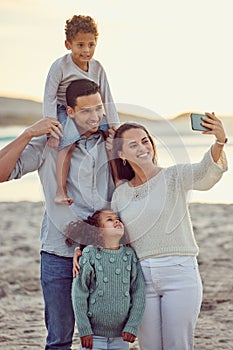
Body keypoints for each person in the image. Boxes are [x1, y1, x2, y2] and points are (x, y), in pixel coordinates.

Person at [0, 79, 116, 350]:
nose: (95, 117)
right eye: (86, 111)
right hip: (58, 254)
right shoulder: (48, 143)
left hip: (104, 254)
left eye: (98, 109)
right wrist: (29, 133)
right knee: (59, 338)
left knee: (105, 340)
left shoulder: (112, 140)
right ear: (70, 111)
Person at [111, 113, 228, 350]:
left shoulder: (174, 175)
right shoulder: (119, 194)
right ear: (121, 154)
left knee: (177, 345)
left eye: (145, 140)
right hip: (141, 279)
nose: (143, 147)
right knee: (150, 346)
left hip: (179, 273)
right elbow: (116, 239)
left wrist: (219, 141)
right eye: (133, 144)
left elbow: (205, 173)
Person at [43, 14, 119, 205]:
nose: (86, 50)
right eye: (80, 45)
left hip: (92, 109)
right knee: (67, 142)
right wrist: (52, 128)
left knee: (111, 141)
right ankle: (61, 190)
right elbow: (50, 97)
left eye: (91, 45)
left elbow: (107, 97)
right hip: (65, 110)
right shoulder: (60, 66)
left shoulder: (98, 68)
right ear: (68, 44)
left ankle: (118, 181)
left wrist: (114, 125)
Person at [65, 209, 145, 350]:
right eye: (109, 219)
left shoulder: (130, 255)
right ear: (99, 231)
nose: (116, 220)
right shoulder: (90, 254)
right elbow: (79, 294)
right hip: (93, 335)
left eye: (117, 218)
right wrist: (84, 329)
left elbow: (138, 292)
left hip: (121, 336)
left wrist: (132, 325)